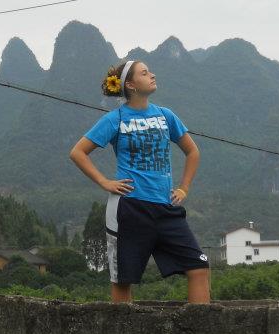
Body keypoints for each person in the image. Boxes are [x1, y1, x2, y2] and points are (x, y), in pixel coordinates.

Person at [69, 59, 211, 303]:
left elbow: (193, 152)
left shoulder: (166, 116)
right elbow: (78, 152)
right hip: (130, 208)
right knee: (123, 279)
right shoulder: (116, 118)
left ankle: (200, 333)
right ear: (131, 85)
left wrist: (184, 188)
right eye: (145, 73)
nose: (152, 75)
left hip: (166, 207)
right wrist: (105, 182)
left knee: (199, 267)